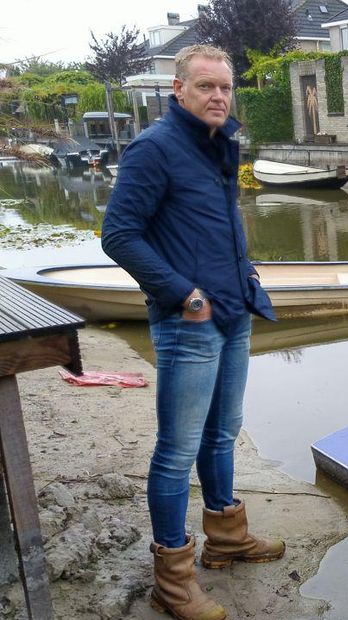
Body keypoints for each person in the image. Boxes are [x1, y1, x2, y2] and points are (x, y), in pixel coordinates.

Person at [102, 44, 283, 620]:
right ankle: (173, 582)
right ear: (177, 89)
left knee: (222, 435)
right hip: (190, 322)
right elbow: (120, 236)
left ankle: (227, 539)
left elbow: (219, 222)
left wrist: (246, 270)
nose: (218, 97)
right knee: (177, 451)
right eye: (206, 87)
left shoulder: (217, 143)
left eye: (226, 88)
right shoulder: (154, 150)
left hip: (233, 312)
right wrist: (187, 294)